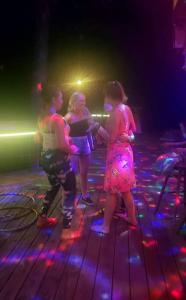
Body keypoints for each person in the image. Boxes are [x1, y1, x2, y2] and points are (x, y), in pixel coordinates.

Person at [91, 81, 137, 234]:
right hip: (127, 154)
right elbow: (133, 132)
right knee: (126, 190)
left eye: (105, 95)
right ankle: (132, 219)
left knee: (112, 192)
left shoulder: (115, 113)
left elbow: (110, 138)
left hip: (116, 157)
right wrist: (129, 138)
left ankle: (105, 227)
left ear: (109, 96)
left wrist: (97, 127)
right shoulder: (127, 109)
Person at [36, 86, 78, 238]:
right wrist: (72, 148)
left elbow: (39, 139)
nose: (62, 100)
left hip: (46, 160)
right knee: (70, 190)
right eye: (60, 97)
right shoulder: (57, 119)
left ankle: (42, 218)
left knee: (54, 187)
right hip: (59, 161)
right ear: (54, 99)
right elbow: (61, 144)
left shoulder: (41, 118)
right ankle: (67, 230)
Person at [64, 92, 94, 206]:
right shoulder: (69, 115)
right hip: (74, 143)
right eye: (81, 101)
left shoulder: (86, 111)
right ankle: (71, 197)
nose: (84, 103)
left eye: (84, 100)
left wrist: (91, 127)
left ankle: (85, 195)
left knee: (84, 172)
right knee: (73, 173)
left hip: (85, 142)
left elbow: (91, 123)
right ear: (74, 102)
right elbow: (62, 127)